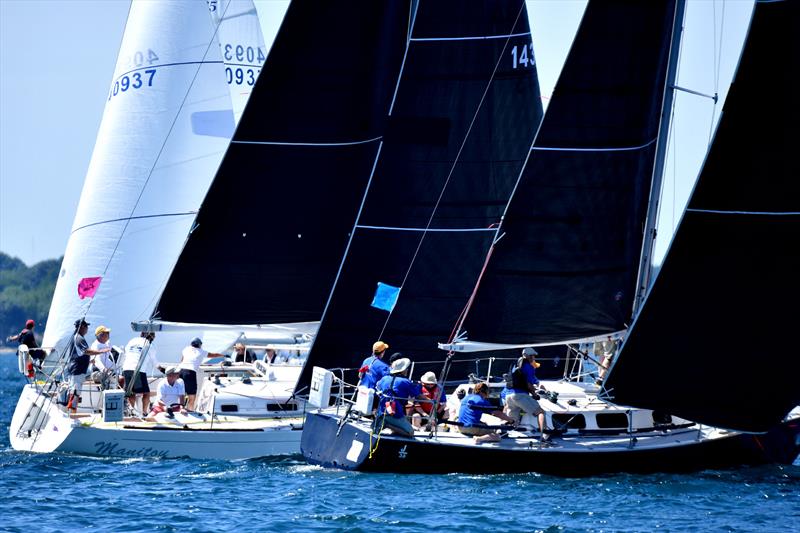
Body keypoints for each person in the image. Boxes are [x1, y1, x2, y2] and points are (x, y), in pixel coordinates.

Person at [504, 347, 548, 435]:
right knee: (540, 412)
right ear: (529, 356)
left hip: (508, 396)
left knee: (512, 420)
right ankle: (545, 435)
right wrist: (535, 394)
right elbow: (529, 384)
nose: (534, 358)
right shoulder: (529, 366)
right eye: (533, 356)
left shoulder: (515, 366)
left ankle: (501, 432)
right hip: (520, 395)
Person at [375, 358, 423, 437]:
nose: (407, 370)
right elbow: (418, 396)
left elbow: (377, 388)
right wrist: (432, 401)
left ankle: (383, 422)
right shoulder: (405, 382)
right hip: (395, 413)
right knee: (410, 433)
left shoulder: (384, 378)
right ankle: (387, 425)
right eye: (406, 368)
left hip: (381, 412)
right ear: (403, 370)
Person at [65, 319, 105, 412]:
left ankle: (72, 414)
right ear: (82, 327)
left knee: (75, 393)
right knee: (75, 393)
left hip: (78, 370)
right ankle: (72, 416)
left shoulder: (77, 337)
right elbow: (86, 351)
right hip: (77, 371)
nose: (87, 328)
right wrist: (101, 351)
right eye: (86, 326)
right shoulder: (79, 338)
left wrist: (89, 362)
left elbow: (78, 354)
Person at [178, 337, 223, 411]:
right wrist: (223, 355)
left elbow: (182, 361)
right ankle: (190, 411)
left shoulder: (186, 349)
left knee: (181, 393)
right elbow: (213, 355)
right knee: (192, 396)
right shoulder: (201, 351)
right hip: (190, 373)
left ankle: (180, 409)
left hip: (180, 371)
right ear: (199, 345)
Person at [121, 331, 158, 415]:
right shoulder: (149, 344)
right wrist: (163, 370)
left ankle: (131, 413)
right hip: (138, 370)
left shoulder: (132, 340)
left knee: (131, 392)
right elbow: (155, 363)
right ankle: (145, 412)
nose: (154, 338)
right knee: (146, 393)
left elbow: (126, 352)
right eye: (153, 336)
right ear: (150, 336)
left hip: (126, 368)